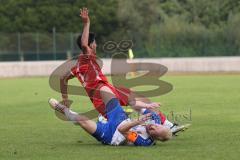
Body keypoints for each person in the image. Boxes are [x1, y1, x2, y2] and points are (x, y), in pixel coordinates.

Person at [60, 7, 187, 136]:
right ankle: (158, 130)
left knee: (136, 102)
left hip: (107, 92)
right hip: (103, 97)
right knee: (126, 120)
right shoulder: (87, 57)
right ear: (91, 45)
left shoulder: (76, 65)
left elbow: (62, 78)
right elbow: (84, 44)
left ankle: (168, 126)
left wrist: (65, 98)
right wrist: (87, 23)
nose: (96, 45)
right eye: (95, 43)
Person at [49, 86, 172, 146]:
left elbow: (121, 130)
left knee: (82, 121)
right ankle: (103, 114)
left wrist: (137, 121)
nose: (153, 127)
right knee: (105, 89)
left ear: (156, 138)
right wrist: (147, 105)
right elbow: (137, 107)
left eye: (155, 131)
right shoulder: (155, 119)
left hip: (111, 135)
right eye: (157, 126)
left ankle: (61, 109)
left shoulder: (144, 142)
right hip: (121, 118)